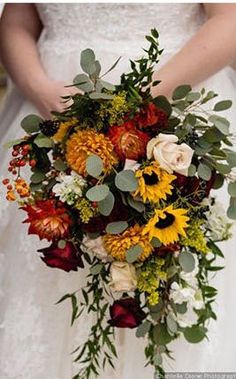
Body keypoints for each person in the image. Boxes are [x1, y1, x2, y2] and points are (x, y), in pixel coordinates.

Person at [0, 3, 236, 378]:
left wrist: (139, 102)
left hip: (170, 107)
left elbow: (229, 18)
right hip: (50, 117)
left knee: (163, 281)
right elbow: (16, 22)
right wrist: (40, 89)